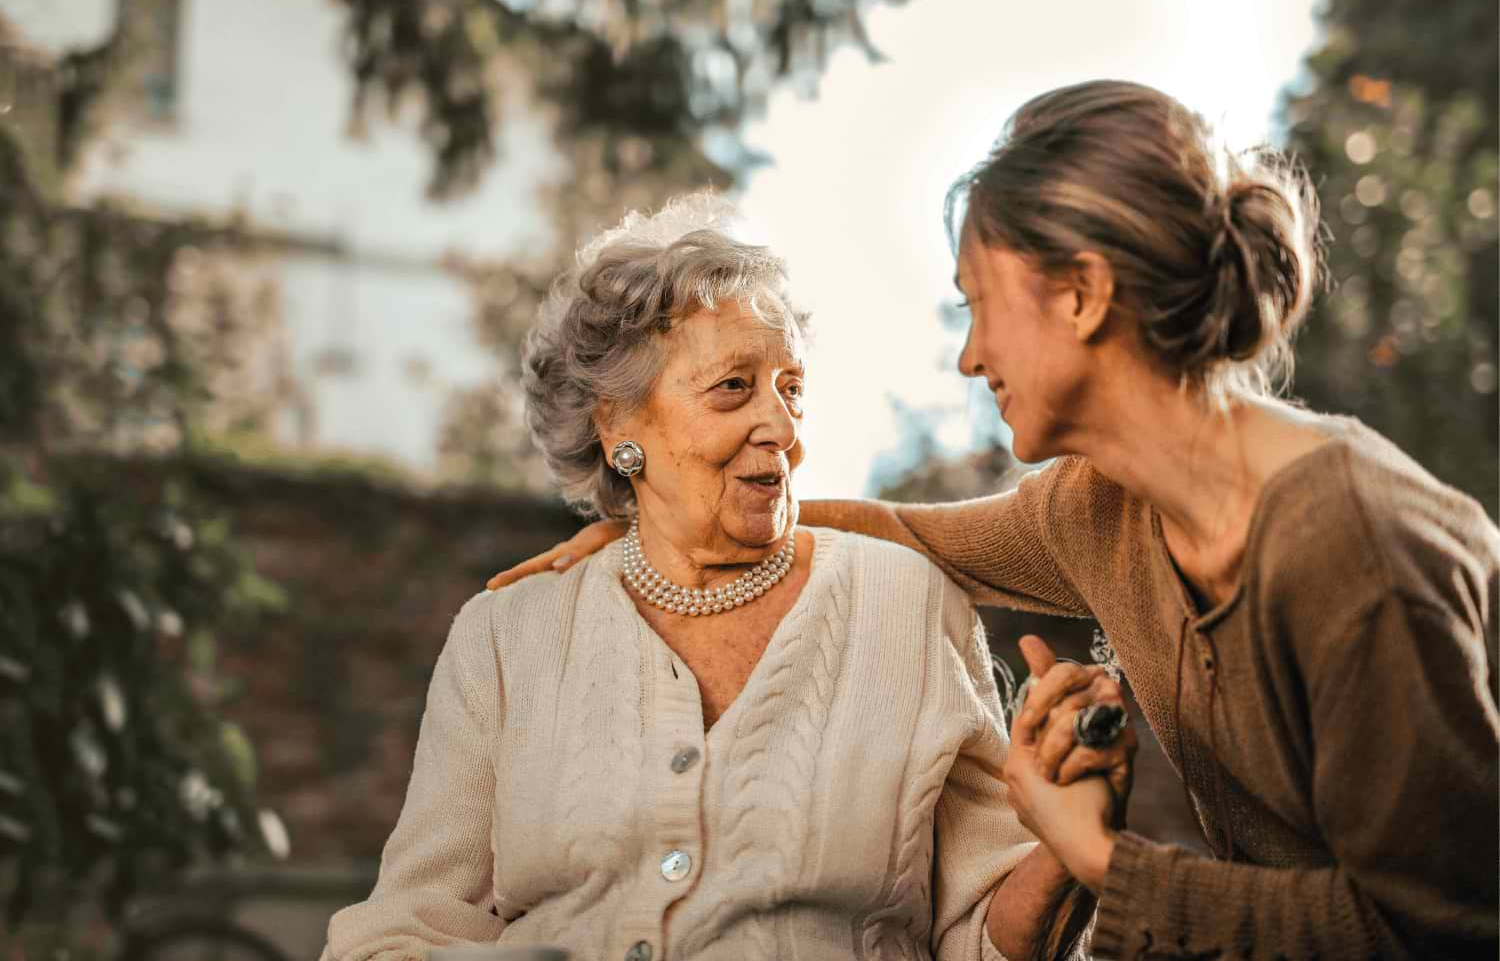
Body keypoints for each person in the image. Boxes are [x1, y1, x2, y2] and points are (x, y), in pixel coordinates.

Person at [487, 82, 1500, 959]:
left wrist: (1101, 858)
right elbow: (908, 533)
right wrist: (661, 524)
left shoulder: (1350, 547)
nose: (970, 357)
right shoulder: (1102, 509)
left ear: (1084, 295)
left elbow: (1441, 929)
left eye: (978, 304)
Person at [324, 195, 1130, 961]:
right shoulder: (507, 636)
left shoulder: (908, 606)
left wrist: (1067, 848)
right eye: (734, 388)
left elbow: (985, 940)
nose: (781, 427)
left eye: (793, 390)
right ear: (618, 426)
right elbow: (405, 928)